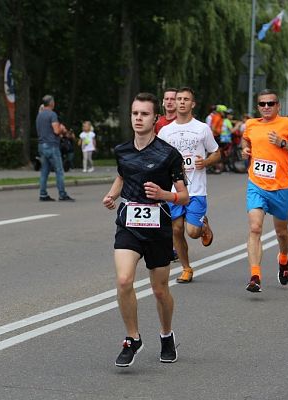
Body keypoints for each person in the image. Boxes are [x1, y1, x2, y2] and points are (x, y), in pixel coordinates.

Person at [102, 92, 189, 367]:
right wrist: (113, 195)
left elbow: (185, 196)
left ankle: (166, 335)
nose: (138, 118)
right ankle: (132, 339)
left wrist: (165, 194)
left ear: (155, 119)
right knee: (125, 280)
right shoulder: (122, 150)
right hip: (128, 223)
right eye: (135, 113)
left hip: (158, 227)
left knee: (160, 290)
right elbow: (123, 174)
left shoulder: (169, 154)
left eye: (144, 114)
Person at [242, 89, 288, 293]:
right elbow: (246, 139)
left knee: (281, 232)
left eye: (270, 103)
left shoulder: (287, 124)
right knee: (255, 228)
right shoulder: (251, 124)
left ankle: (283, 258)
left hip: (280, 188)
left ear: (278, 106)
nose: (266, 107)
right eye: (262, 104)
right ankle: (255, 276)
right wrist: (244, 149)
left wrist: (283, 143)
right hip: (256, 184)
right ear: (258, 106)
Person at [157, 87, 220, 283]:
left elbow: (217, 153)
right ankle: (186, 268)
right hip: (175, 190)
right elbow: (159, 156)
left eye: (186, 99)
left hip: (197, 189)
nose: (182, 102)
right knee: (176, 229)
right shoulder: (165, 131)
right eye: (179, 99)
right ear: (174, 103)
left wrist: (206, 162)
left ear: (192, 104)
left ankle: (203, 226)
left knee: (192, 232)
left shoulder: (202, 128)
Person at [36, 95, 74, 202]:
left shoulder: (39, 115)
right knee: (59, 171)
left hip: (41, 145)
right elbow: (56, 131)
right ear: (51, 103)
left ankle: (43, 194)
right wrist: (62, 129)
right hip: (51, 146)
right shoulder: (52, 114)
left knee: (44, 171)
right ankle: (62, 194)